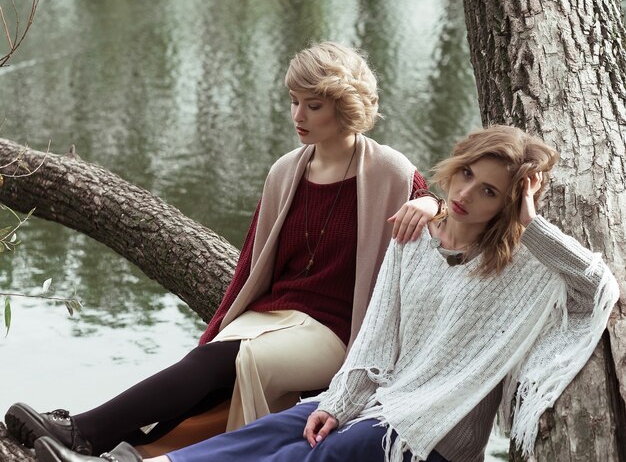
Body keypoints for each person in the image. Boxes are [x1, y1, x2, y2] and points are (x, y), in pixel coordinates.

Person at [32, 125, 620, 462]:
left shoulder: (520, 267)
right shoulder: (414, 239)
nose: (468, 193)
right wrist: (337, 401)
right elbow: (375, 339)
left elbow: (594, 288)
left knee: (318, 455)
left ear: (508, 203)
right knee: (279, 428)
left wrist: (531, 217)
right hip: (379, 400)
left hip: (429, 432)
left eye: (491, 191)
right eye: (466, 174)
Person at [5, 42, 439, 456]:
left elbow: (454, 234)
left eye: (313, 104)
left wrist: (432, 202)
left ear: (344, 105)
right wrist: (213, 332)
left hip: (338, 333)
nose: (298, 115)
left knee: (233, 360)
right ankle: (126, 453)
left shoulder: (391, 173)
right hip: (275, 314)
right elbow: (250, 269)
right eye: (293, 101)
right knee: (211, 367)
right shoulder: (285, 172)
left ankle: (83, 432)